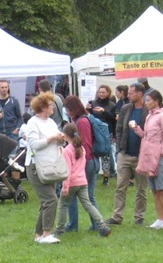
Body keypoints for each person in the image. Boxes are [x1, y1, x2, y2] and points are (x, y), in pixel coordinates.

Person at [23, 91, 68, 244]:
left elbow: (58, 142)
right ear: (43, 107)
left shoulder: (51, 123)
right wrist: (51, 138)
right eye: (50, 105)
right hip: (36, 166)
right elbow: (34, 145)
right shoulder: (33, 123)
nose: (53, 107)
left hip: (51, 165)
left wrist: (61, 139)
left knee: (46, 202)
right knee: (51, 199)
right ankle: (47, 233)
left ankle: (39, 235)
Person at [54, 122, 111, 238]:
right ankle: (102, 225)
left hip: (71, 182)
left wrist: (65, 187)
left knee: (63, 204)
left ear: (65, 135)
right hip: (82, 181)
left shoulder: (67, 151)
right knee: (88, 204)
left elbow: (67, 170)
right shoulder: (82, 149)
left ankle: (59, 229)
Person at [131, 88, 163, 229]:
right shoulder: (149, 117)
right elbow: (147, 136)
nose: (146, 103)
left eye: (148, 100)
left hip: (159, 157)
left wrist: (161, 151)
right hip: (149, 156)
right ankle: (160, 218)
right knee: (154, 190)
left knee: (162, 188)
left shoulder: (162, 116)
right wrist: (137, 129)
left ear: (156, 101)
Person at [107, 82, 148, 226]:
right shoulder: (126, 108)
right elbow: (119, 128)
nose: (128, 95)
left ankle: (139, 216)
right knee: (120, 186)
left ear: (140, 94)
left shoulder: (147, 110)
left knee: (141, 188)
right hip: (125, 153)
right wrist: (119, 149)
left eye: (131, 93)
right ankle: (117, 216)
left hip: (141, 155)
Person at [62, 95, 101, 231]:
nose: (67, 112)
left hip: (87, 163)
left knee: (76, 195)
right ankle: (97, 224)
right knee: (89, 197)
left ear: (73, 108)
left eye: (68, 109)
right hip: (90, 162)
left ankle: (74, 225)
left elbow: (86, 145)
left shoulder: (82, 122)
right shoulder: (82, 120)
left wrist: (78, 164)